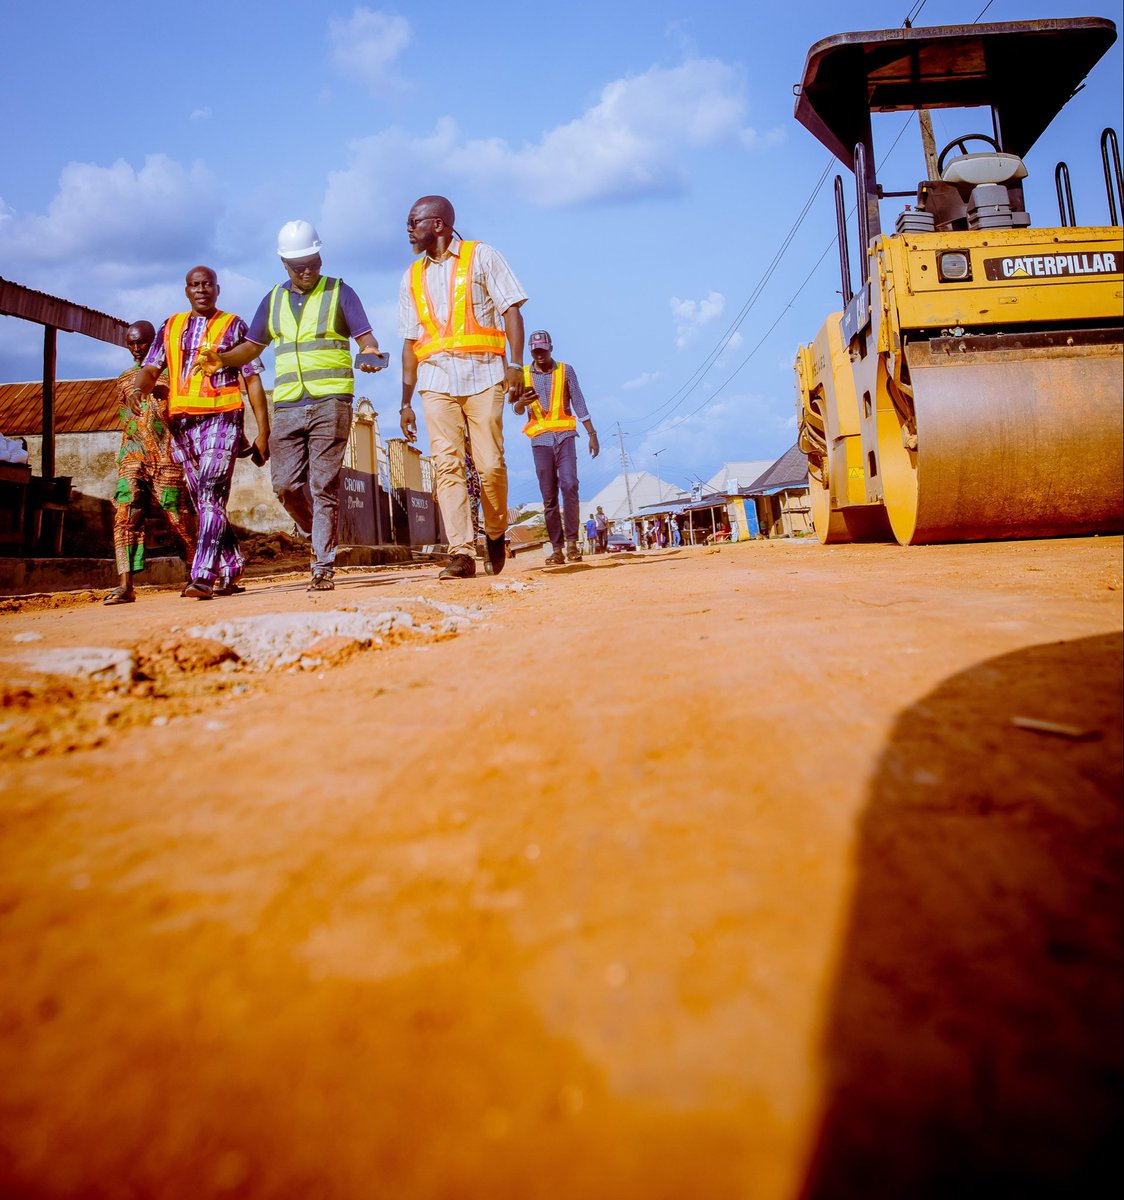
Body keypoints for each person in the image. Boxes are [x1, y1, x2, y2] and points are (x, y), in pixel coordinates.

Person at [195, 221, 385, 591]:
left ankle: (323, 565)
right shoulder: (273, 299)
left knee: (323, 484)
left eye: (313, 262)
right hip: (288, 405)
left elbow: (367, 338)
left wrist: (370, 352)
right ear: (285, 264)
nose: (309, 271)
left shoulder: (339, 292)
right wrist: (224, 360)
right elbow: (253, 346)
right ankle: (319, 532)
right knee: (284, 485)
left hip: (331, 401)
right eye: (300, 266)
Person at [398, 195, 527, 580]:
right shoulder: (411, 276)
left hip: (485, 376)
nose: (408, 229)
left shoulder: (482, 256)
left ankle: (496, 531)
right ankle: (461, 552)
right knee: (447, 465)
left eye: (413, 222)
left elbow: (512, 311)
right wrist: (405, 402)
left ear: (437, 224)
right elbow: (409, 342)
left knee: (490, 466)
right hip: (435, 381)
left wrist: (516, 365)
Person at [135, 266, 270, 600]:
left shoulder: (234, 325)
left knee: (210, 494)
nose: (201, 289)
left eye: (207, 284)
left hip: (223, 419)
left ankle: (203, 575)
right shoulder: (170, 327)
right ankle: (232, 565)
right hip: (182, 425)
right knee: (205, 502)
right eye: (195, 285)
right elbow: (151, 368)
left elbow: (252, 379)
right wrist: (142, 388)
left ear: (217, 289)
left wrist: (263, 433)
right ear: (186, 291)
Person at [102, 321, 195, 605]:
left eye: (141, 342)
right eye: (131, 343)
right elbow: (126, 421)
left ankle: (196, 574)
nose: (135, 348)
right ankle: (125, 584)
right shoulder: (123, 379)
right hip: (133, 454)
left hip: (168, 456)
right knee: (125, 513)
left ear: (153, 342)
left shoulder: (174, 374)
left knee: (177, 516)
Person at [511, 330, 599, 565]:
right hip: (540, 441)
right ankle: (557, 549)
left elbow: (579, 401)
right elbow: (515, 409)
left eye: (543, 349)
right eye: (535, 351)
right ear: (531, 351)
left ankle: (572, 544)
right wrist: (522, 402)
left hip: (566, 436)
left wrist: (592, 433)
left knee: (570, 485)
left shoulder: (565, 370)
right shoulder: (523, 376)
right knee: (549, 497)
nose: (539, 354)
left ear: (550, 348)